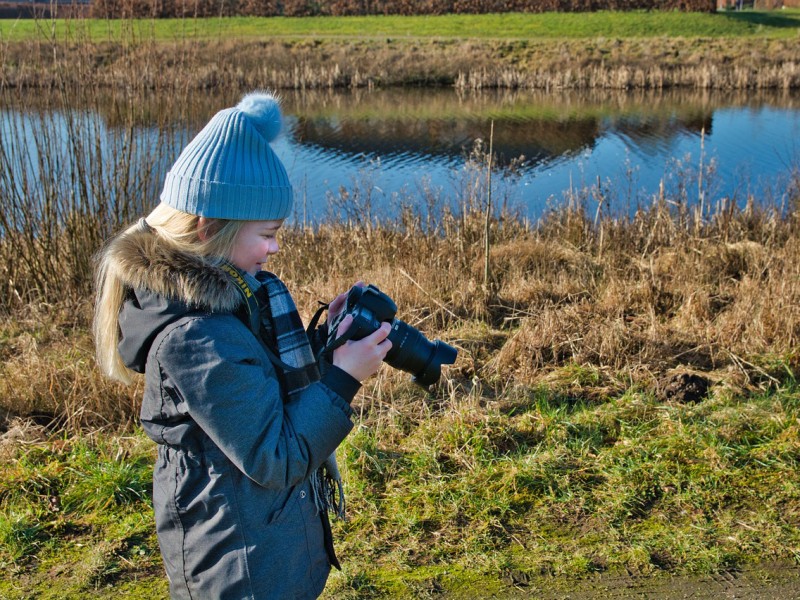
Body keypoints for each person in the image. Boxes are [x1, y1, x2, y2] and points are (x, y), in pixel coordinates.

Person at [93, 91, 392, 599]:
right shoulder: (195, 337)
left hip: (267, 544)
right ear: (210, 228)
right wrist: (344, 376)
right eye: (268, 234)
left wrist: (326, 345)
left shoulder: (232, 300)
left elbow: (261, 387)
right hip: (238, 567)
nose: (275, 248)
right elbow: (276, 455)